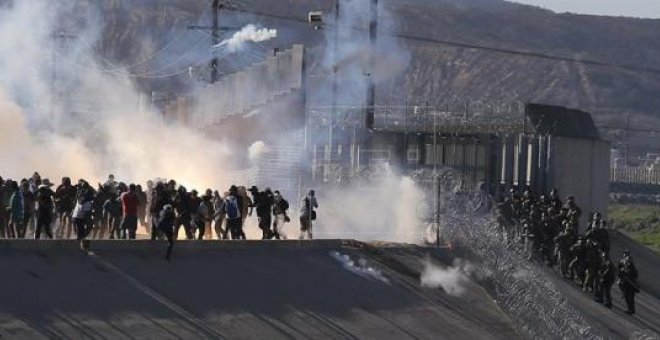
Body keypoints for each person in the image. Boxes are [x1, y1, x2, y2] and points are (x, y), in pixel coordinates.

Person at [72, 180, 95, 249]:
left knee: (81, 233)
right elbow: (87, 215)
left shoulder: (80, 196)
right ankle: (80, 246)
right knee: (87, 227)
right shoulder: (87, 202)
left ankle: (80, 244)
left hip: (77, 216)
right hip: (79, 217)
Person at [618, 249, 640, 315]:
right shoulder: (622, 263)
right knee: (627, 297)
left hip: (631, 284)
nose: (628, 261)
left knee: (630, 298)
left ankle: (631, 310)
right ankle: (629, 309)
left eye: (629, 260)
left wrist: (629, 276)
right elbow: (619, 271)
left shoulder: (632, 267)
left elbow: (635, 275)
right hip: (625, 283)